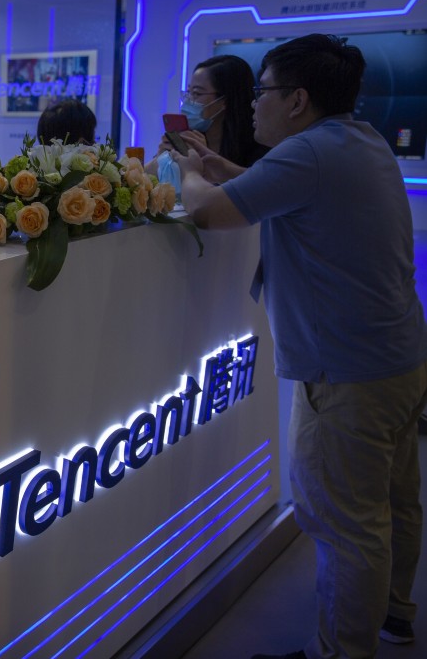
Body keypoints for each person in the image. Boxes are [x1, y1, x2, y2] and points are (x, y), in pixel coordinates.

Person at [172, 33, 427, 659]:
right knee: (395, 503)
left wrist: (188, 170)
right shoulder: (357, 140)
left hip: (344, 375)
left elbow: (208, 215)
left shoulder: (308, 153)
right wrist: (219, 167)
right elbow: (276, 190)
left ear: (297, 100)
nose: (252, 102)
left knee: (346, 525)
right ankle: (394, 615)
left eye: (263, 90)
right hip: (398, 360)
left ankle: (341, 650)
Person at [151, 55, 266, 184]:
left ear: (224, 100)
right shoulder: (188, 139)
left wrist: (204, 160)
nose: (188, 102)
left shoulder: (259, 150)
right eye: (188, 92)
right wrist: (160, 159)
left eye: (197, 93)